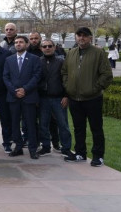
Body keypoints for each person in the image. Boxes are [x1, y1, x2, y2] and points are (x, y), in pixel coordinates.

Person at [62, 27, 113, 167]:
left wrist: (94, 88)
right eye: (79, 35)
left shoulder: (98, 53)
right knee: (78, 128)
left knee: (96, 128)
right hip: (74, 98)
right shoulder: (71, 53)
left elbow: (106, 74)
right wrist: (68, 86)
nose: (81, 38)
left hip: (93, 98)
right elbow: (64, 72)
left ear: (90, 38)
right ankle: (80, 153)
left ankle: (98, 156)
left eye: (84, 35)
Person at [3, 35, 43, 159]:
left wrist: (25, 89)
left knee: (30, 124)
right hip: (13, 96)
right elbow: (5, 77)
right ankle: (18, 147)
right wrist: (14, 91)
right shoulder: (9, 59)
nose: (18, 44)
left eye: (21, 42)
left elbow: (37, 76)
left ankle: (32, 149)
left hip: (29, 96)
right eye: (16, 42)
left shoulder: (35, 59)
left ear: (26, 44)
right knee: (14, 123)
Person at [38, 38, 73, 159]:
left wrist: (66, 96)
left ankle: (66, 148)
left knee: (63, 125)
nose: (47, 48)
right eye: (44, 46)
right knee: (43, 124)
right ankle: (46, 147)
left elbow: (67, 79)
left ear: (54, 47)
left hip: (58, 98)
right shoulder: (38, 62)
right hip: (43, 98)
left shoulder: (61, 62)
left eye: (49, 46)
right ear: (41, 48)